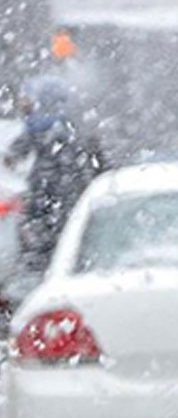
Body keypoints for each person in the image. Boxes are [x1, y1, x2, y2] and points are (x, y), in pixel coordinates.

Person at [5, 74, 108, 278]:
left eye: (29, 99)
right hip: (62, 202)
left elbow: (15, 155)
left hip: (49, 203)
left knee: (42, 254)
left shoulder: (44, 130)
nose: (24, 104)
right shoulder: (65, 128)